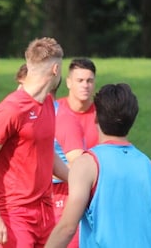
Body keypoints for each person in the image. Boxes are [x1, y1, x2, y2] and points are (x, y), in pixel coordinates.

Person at [45, 83, 151, 248]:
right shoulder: (150, 167)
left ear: (96, 117)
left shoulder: (87, 164)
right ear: (132, 119)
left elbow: (67, 229)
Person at [0, 37, 68, 247]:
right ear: (55, 69)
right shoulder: (12, 109)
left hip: (46, 211)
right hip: (16, 215)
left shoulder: (48, 103)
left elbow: (46, 154)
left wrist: (80, 180)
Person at [52, 58, 98, 248]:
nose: (85, 85)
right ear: (69, 82)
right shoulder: (54, 111)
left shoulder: (102, 118)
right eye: (80, 80)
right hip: (53, 190)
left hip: (87, 191)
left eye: (89, 80)